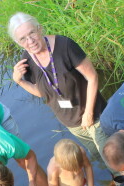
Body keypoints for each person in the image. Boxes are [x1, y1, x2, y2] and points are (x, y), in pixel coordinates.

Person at [8, 12, 111, 168]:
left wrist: (89, 113)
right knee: (98, 157)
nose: (30, 41)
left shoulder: (65, 46)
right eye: (23, 39)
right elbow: (42, 92)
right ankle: (117, 184)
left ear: (40, 29)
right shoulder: (26, 61)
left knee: (112, 158)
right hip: (72, 124)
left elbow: (92, 77)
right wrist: (19, 81)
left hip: (94, 116)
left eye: (32, 33)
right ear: (18, 42)